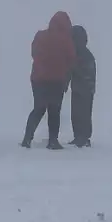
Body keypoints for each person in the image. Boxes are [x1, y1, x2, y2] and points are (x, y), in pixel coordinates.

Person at [22, 11, 76, 150]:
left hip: (38, 79)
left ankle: (27, 138)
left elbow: (34, 53)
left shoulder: (40, 36)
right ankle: (53, 141)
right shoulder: (66, 39)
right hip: (56, 80)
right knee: (54, 110)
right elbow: (71, 58)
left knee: (38, 109)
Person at [68, 25, 96, 148]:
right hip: (78, 88)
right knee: (76, 113)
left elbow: (87, 73)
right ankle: (78, 136)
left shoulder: (86, 55)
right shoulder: (77, 54)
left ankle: (84, 137)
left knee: (83, 113)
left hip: (85, 89)